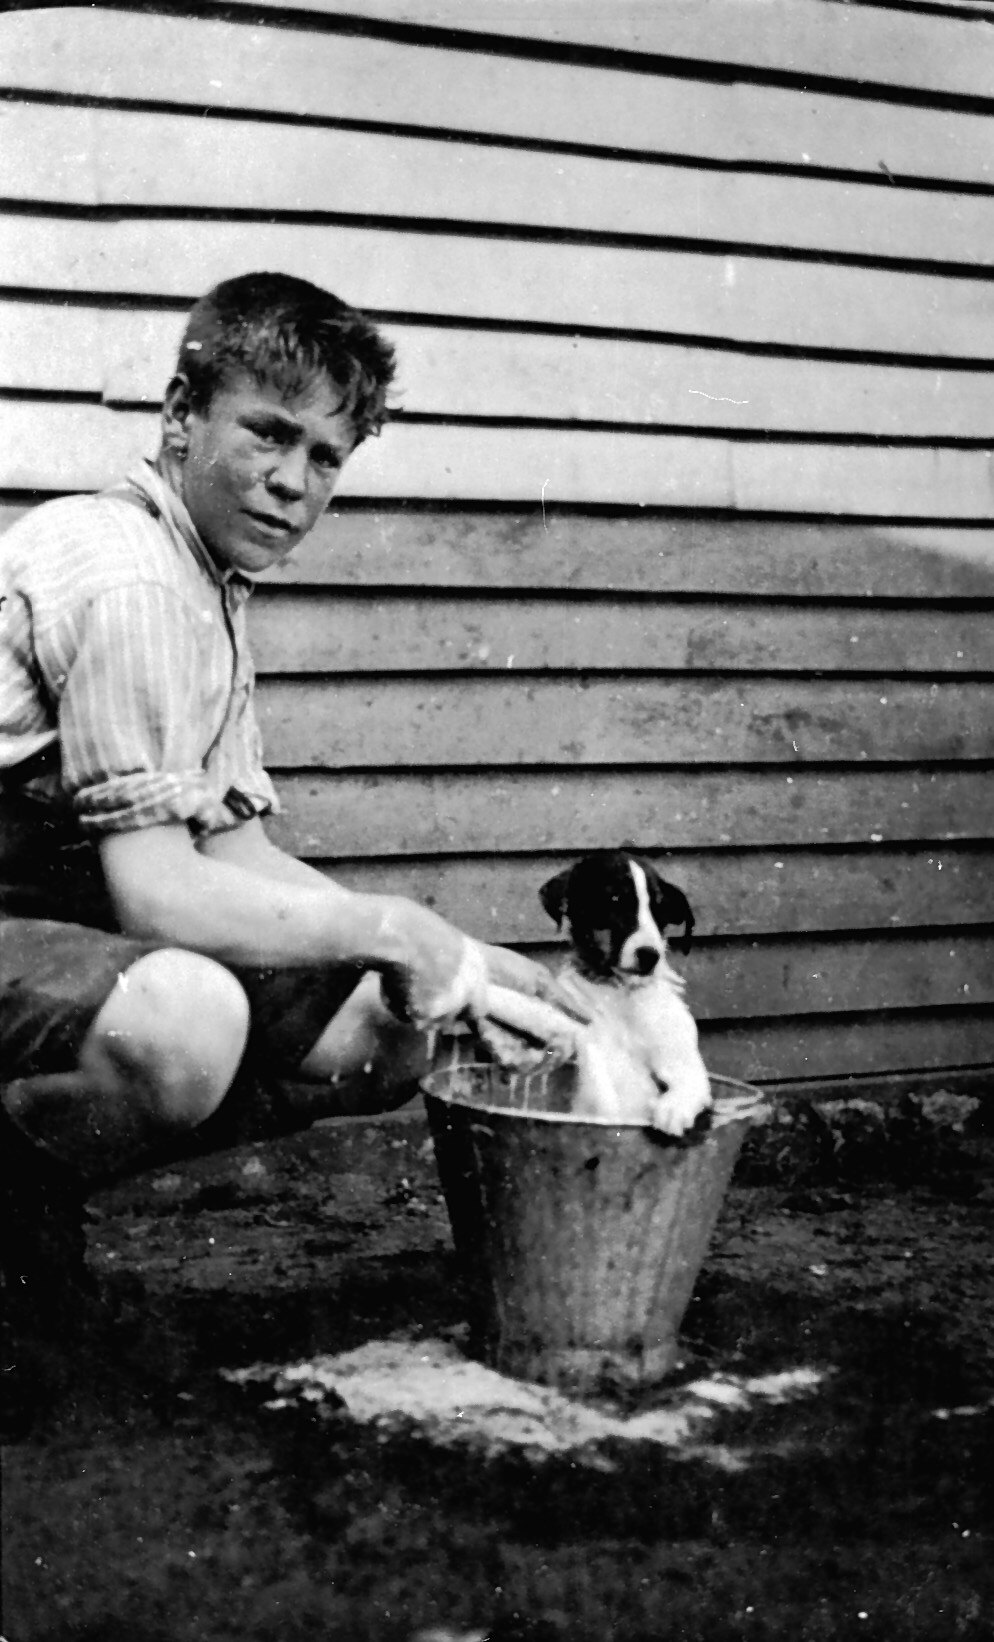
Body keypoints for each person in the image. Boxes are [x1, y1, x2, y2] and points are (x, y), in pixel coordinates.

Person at [0, 271, 581, 1336]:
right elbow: (155, 894)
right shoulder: (127, 573)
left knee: (388, 1026)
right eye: (268, 434)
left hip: (45, 921)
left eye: (325, 457)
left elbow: (233, 850)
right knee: (186, 1022)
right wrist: (388, 927)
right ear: (181, 413)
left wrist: (451, 955)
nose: (292, 484)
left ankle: (29, 1206)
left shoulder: (204, 581)